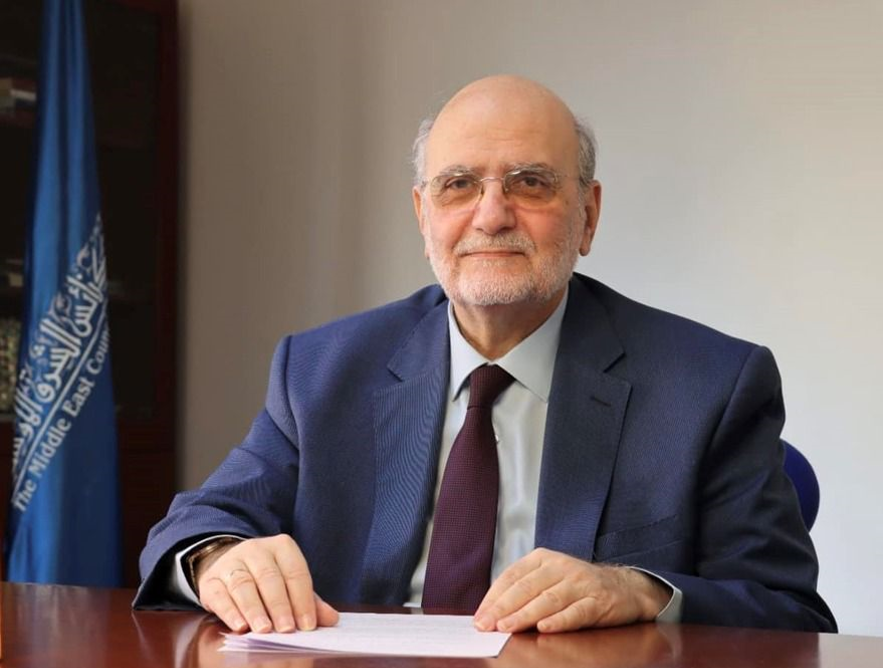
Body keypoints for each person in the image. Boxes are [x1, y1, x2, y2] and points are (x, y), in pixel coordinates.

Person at [135, 75, 836, 637]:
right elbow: (195, 525)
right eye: (458, 185)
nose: (491, 215)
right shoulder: (321, 370)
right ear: (424, 217)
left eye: (530, 183)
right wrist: (220, 559)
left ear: (587, 216)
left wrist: (638, 590)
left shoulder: (707, 385)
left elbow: (788, 615)